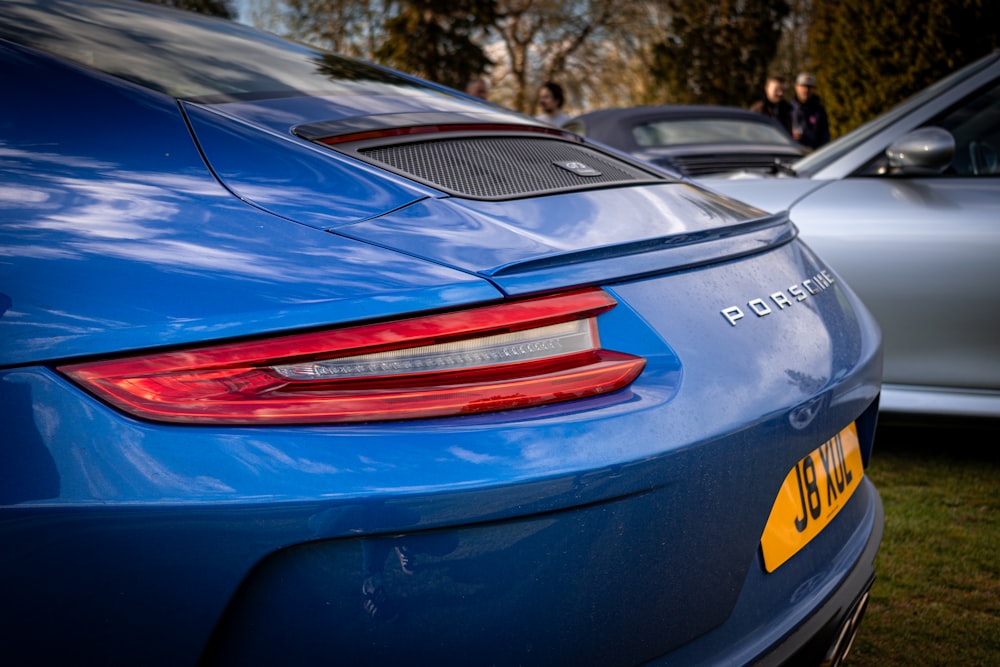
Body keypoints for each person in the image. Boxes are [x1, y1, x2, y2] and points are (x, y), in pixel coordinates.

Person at [791, 72, 831, 149]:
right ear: (796, 87)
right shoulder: (787, 109)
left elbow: (825, 137)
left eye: (809, 87)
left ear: (814, 89)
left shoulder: (819, 111)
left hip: (813, 156)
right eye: (803, 86)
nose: (806, 90)